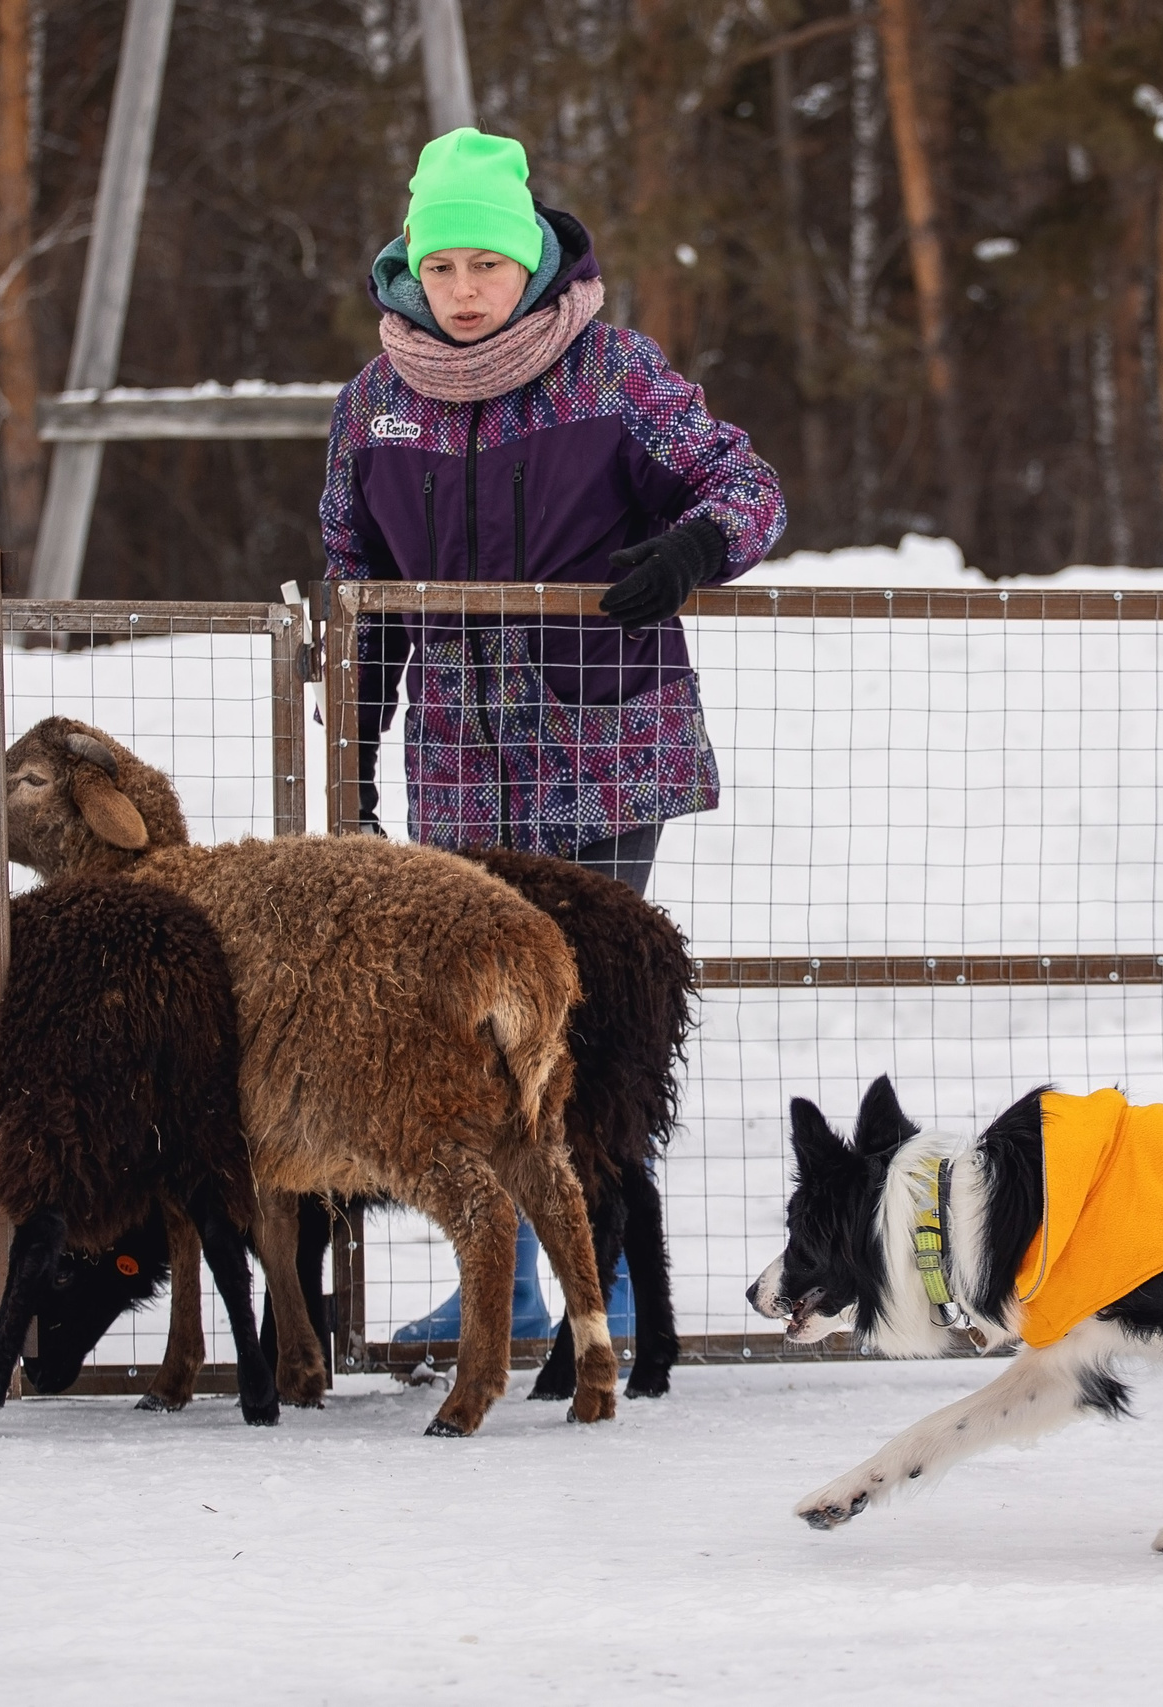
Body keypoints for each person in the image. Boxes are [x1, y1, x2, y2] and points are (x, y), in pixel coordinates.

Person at [320, 128, 785, 1343]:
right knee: (472, 1029)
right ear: (409, 270)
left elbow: (747, 489)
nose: (465, 292)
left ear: (531, 259)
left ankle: (611, 1275)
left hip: (601, 749)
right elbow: (352, 587)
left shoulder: (611, 374)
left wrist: (690, 550)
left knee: (576, 1017)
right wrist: (355, 746)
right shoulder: (375, 406)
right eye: (444, 267)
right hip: (457, 764)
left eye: (488, 263)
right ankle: (507, 1284)